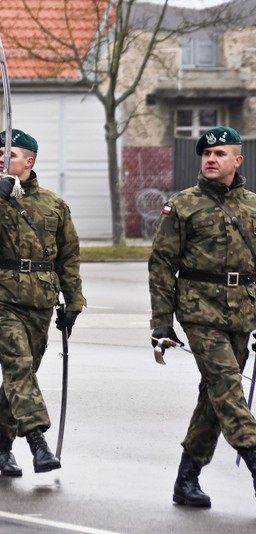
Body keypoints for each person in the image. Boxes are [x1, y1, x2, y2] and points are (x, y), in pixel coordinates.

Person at [0, 128, 85, 476]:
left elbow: (68, 257)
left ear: (29, 162)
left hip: (40, 300)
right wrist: (0, 200)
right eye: (0, 152)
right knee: (18, 366)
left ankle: (2, 449)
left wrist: (74, 300)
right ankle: (37, 443)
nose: (2, 158)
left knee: (20, 376)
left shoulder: (54, 205)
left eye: (11, 154)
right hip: (0, 298)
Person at [149, 125, 256, 507]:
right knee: (228, 387)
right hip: (200, 312)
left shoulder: (253, 206)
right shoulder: (182, 205)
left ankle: (186, 479)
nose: (211, 159)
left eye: (220, 154)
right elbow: (161, 265)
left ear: (237, 160)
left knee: (213, 399)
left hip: (242, 314)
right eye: (207, 155)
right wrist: (161, 322)